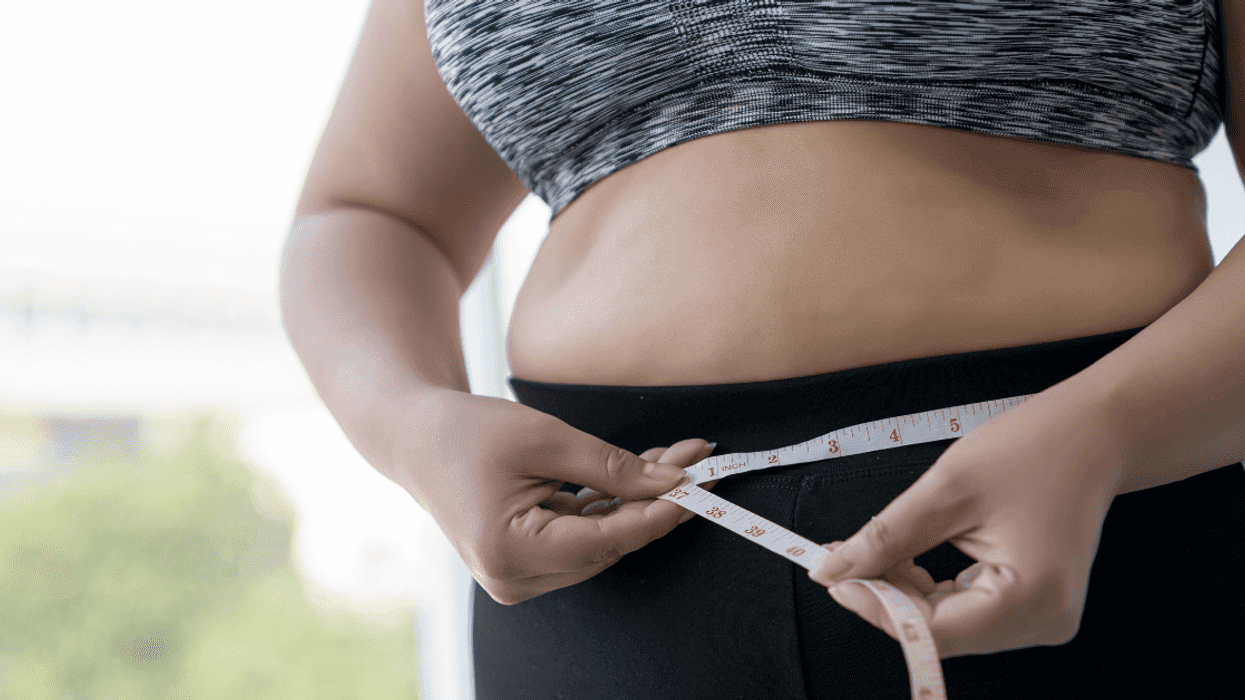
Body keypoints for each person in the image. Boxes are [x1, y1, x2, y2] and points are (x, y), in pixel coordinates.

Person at [279, 0, 1245, 697]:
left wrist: (1105, 432)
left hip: (1110, 546)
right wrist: (411, 418)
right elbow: (369, 213)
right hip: (606, 600)